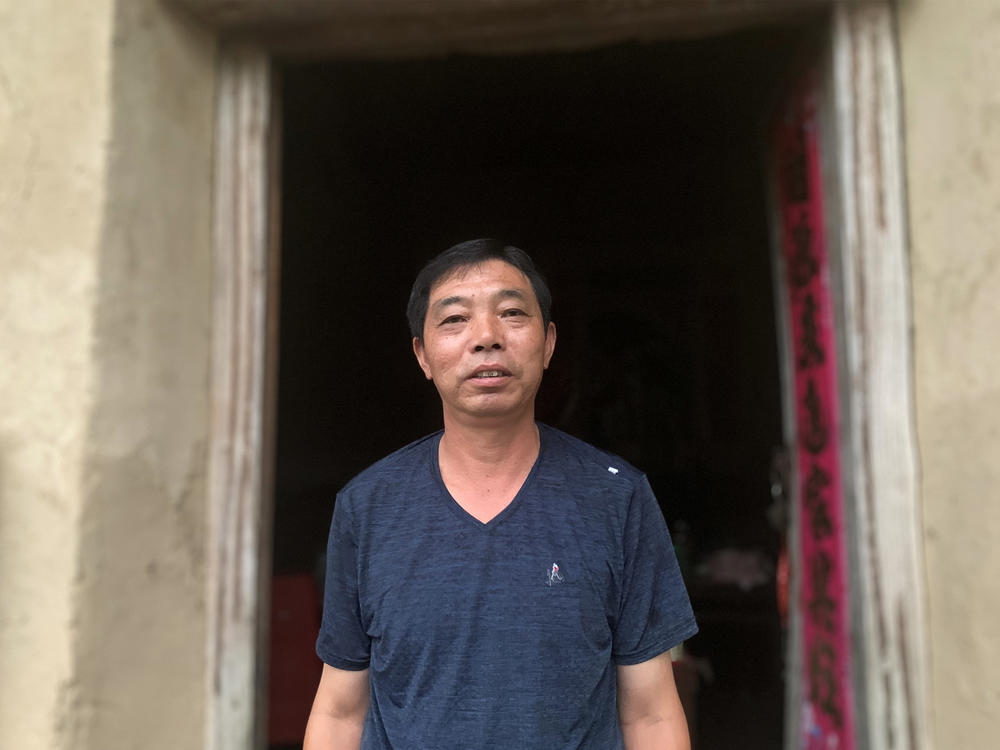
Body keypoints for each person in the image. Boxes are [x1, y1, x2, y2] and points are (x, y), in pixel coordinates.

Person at [304, 239, 697, 750]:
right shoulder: (369, 507)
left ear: (549, 343)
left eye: (512, 313)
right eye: (454, 320)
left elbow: (650, 715)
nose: (486, 337)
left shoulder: (616, 499)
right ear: (422, 355)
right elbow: (339, 712)